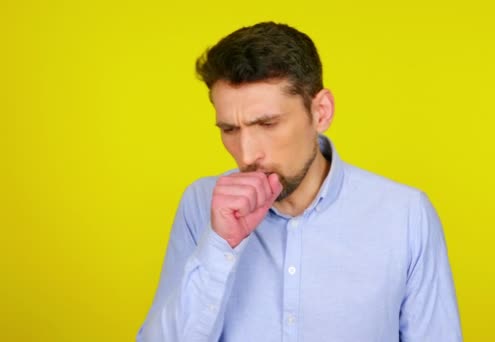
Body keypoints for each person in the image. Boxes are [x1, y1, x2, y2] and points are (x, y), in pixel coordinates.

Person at [136, 22, 462, 342]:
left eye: (267, 123)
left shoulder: (405, 215)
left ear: (321, 112)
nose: (247, 154)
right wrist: (220, 246)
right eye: (230, 130)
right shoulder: (201, 204)